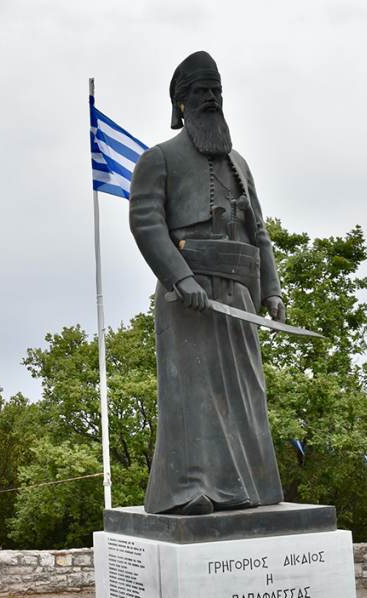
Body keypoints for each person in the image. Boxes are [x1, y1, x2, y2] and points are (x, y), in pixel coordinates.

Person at [129, 50, 285, 515]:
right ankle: (188, 491)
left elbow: (258, 231)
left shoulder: (239, 162)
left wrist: (270, 290)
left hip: (238, 295)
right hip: (189, 298)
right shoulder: (159, 159)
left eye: (216, 91)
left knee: (246, 394)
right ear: (181, 102)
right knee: (193, 394)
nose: (212, 99)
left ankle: (247, 488)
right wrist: (180, 277)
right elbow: (146, 223)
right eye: (202, 92)